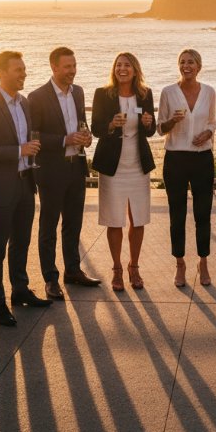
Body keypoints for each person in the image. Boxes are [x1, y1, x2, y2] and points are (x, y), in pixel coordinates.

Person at [0, 51, 52, 327]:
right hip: (0, 187)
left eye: (24, 69)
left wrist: (29, 153)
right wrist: (19, 151)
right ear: (1, 72)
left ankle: (20, 290)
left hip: (25, 182)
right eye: (18, 69)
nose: (24, 74)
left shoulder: (25, 103)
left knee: (21, 241)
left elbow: (31, 136)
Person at [26, 46, 100, 299]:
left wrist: (86, 137)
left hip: (76, 167)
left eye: (74, 65)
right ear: (54, 67)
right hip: (51, 170)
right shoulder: (36, 97)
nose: (72, 71)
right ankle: (50, 279)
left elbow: (81, 122)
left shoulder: (78, 92)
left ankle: (73, 270)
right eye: (67, 67)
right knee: (48, 226)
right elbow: (32, 136)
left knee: (73, 224)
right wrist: (64, 139)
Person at [92, 52, 156, 291]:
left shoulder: (145, 93)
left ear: (135, 69)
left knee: (138, 218)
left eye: (127, 65)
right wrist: (111, 125)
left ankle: (134, 267)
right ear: (114, 69)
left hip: (138, 165)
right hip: (112, 166)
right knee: (114, 219)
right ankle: (117, 269)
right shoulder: (103, 94)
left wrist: (149, 123)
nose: (122, 69)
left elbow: (150, 131)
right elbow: (96, 128)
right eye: (118, 65)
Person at [157, 49, 216, 287]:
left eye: (190, 62)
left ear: (199, 66)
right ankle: (180, 263)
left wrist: (208, 133)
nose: (186, 66)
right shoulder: (168, 92)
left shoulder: (209, 92)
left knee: (203, 214)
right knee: (177, 214)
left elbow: (212, 122)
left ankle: (203, 262)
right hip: (175, 159)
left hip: (203, 158)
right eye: (182, 62)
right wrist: (173, 120)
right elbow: (160, 128)